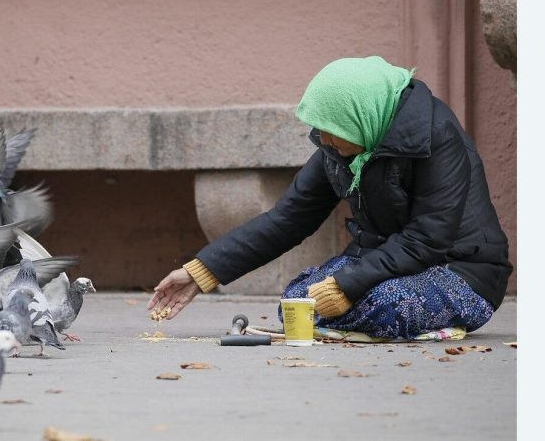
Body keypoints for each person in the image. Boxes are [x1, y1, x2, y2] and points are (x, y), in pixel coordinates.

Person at [147, 56, 512, 339]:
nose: (323, 139)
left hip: (460, 271)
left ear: (360, 117)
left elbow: (428, 238)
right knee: (298, 302)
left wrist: (347, 284)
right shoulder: (340, 148)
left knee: (384, 305)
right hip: (386, 265)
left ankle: (413, 320)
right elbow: (288, 219)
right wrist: (201, 272)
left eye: (331, 129)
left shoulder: (438, 138)